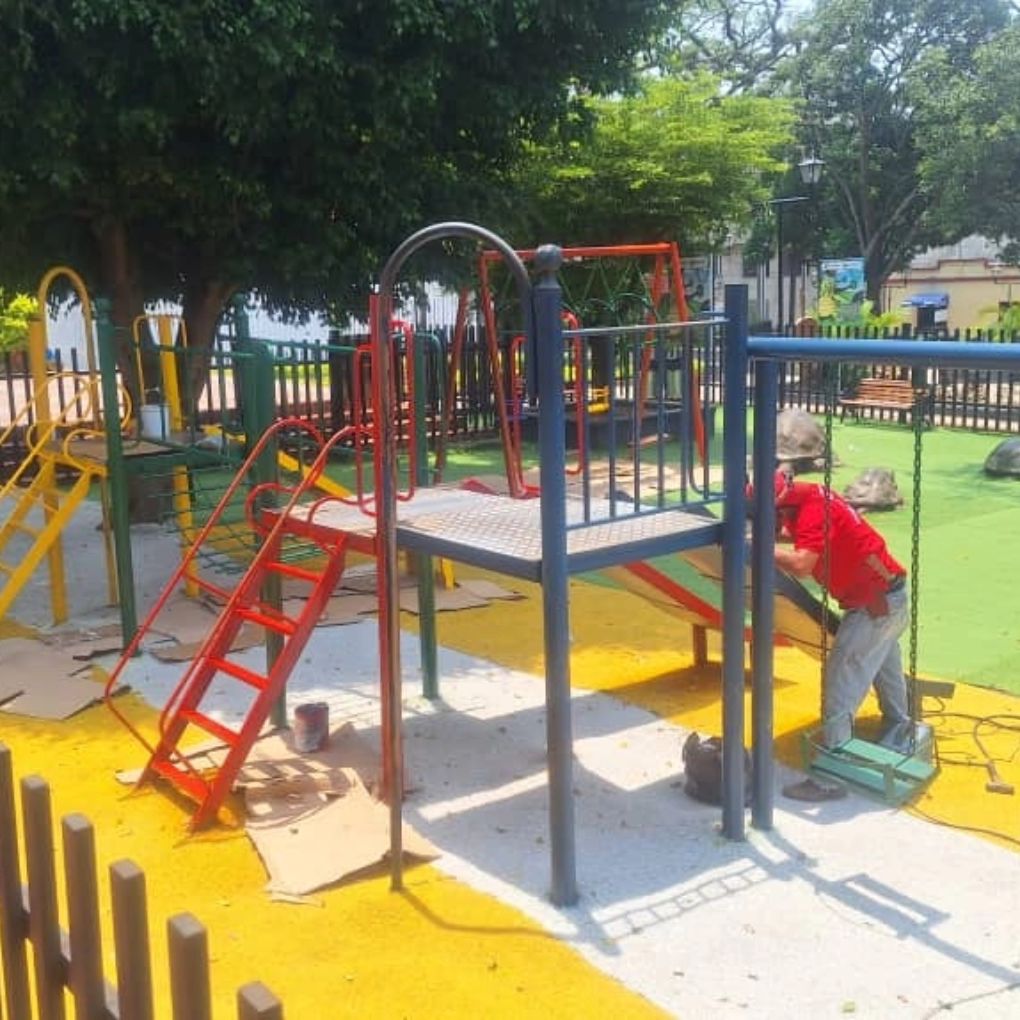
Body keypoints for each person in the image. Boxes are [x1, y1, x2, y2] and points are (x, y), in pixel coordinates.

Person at [769, 467, 911, 748]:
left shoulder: (812, 511)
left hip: (875, 601)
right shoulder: (811, 498)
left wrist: (759, 547)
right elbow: (800, 532)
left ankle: (835, 755)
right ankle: (900, 725)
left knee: (841, 676)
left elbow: (802, 564)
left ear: (781, 506)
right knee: (884, 663)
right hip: (886, 594)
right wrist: (770, 537)